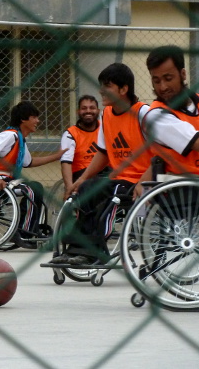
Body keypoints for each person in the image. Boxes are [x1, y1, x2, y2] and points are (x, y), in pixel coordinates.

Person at [52, 63, 152, 265]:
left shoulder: (144, 113)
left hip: (144, 179)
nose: (101, 91)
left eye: (107, 86)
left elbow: (164, 152)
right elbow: (103, 153)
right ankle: (77, 249)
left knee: (108, 195)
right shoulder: (106, 114)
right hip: (120, 179)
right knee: (86, 188)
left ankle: (94, 251)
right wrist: (81, 179)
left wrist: (144, 181)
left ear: (123, 89)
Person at [141, 45, 199, 183]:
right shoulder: (155, 116)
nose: (162, 87)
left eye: (168, 78)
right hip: (182, 185)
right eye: (156, 81)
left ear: (183, 74)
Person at [0, 101, 65, 245]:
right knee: (31, 190)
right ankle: (24, 231)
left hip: (7, 180)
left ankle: (30, 228)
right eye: (34, 117)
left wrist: (57, 156)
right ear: (23, 119)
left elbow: (29, 162)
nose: (38, 121)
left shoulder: (20, 139)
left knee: (36, 187)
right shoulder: (10, 136)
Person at [60, 95, 107, 194]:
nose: (88, 111)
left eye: (92, 108)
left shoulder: (105, 128)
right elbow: (66, 163)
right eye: (84, 108)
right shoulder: (70, 134)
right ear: (78, 112)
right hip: (81, 174)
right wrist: (69, 188)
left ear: (98, 111)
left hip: (105, 172)